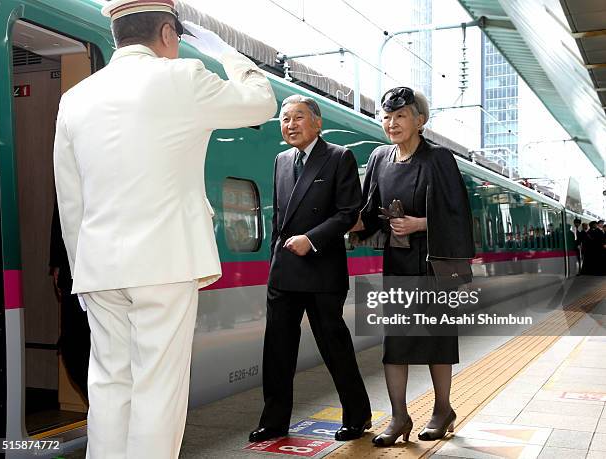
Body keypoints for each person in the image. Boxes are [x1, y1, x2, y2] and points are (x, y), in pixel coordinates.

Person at [53, 0, 276, 457]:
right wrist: (227, 54)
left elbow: (70, 198)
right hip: (165, 262)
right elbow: (262, 102)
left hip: (98, 267)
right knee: (158, 387)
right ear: (170, 34)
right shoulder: (183, 78)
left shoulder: (74, 98)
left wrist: (84, 267)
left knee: (111, 384)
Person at [352, 87, 474, 446]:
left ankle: (442, 409)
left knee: (436, 340)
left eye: (400, 116)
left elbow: (457, 214)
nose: (392, 123)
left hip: (433, 263)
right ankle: (399, 417)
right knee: (396, 343)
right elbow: (370, 208)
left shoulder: (439, 158)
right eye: (387, 117)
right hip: (398, 262)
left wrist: (420, 223)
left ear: (420, 121)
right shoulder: (379, 157)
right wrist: (344, 223)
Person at [249, 95, 372, 443]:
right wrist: (274, 259)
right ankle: (274, 422)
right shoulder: (281, 160)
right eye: (284, 119)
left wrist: (311, 239)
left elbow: (349, 212)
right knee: (276, 349)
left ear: (317, 122)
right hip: (285, 269)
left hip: (322, 269)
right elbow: (278, 220)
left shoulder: (338, 157)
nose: (290, 124)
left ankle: (357, 416)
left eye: (298, 117)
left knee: (334, 346)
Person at [49, 199, 90, 402]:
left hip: (110, 266)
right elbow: (63, 204)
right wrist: (57, 262)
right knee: (73, 350)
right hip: (72, 267)